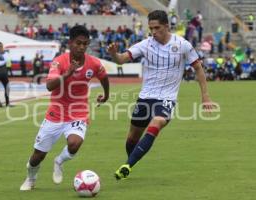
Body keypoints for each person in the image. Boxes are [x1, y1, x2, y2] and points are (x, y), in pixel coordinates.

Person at [107, 10, 214, 180]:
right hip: (145, 97)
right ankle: (130, 160)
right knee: (132, 138)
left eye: (157, 28)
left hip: (167, 98)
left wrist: (205, 95)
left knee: (158, 121)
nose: (154, 32)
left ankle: (128, 165)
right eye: (151, 28)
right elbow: (121, 59)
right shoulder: (145, 44)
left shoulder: (182, 44)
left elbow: (198, 68)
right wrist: (113, 54)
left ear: (166, 26)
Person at [20, 25, 110, 191]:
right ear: (70, 43)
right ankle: (31, 179)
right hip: (56, 113)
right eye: (78, 43)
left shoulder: (94, 63)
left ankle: (59, 161)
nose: (82, 47)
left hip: (78, 112)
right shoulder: (59, 62)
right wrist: (67, 74)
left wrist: (106, 95)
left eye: (85, 43)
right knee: (37, 156)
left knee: (75, 144)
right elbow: (49, 86)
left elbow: (104, 77)